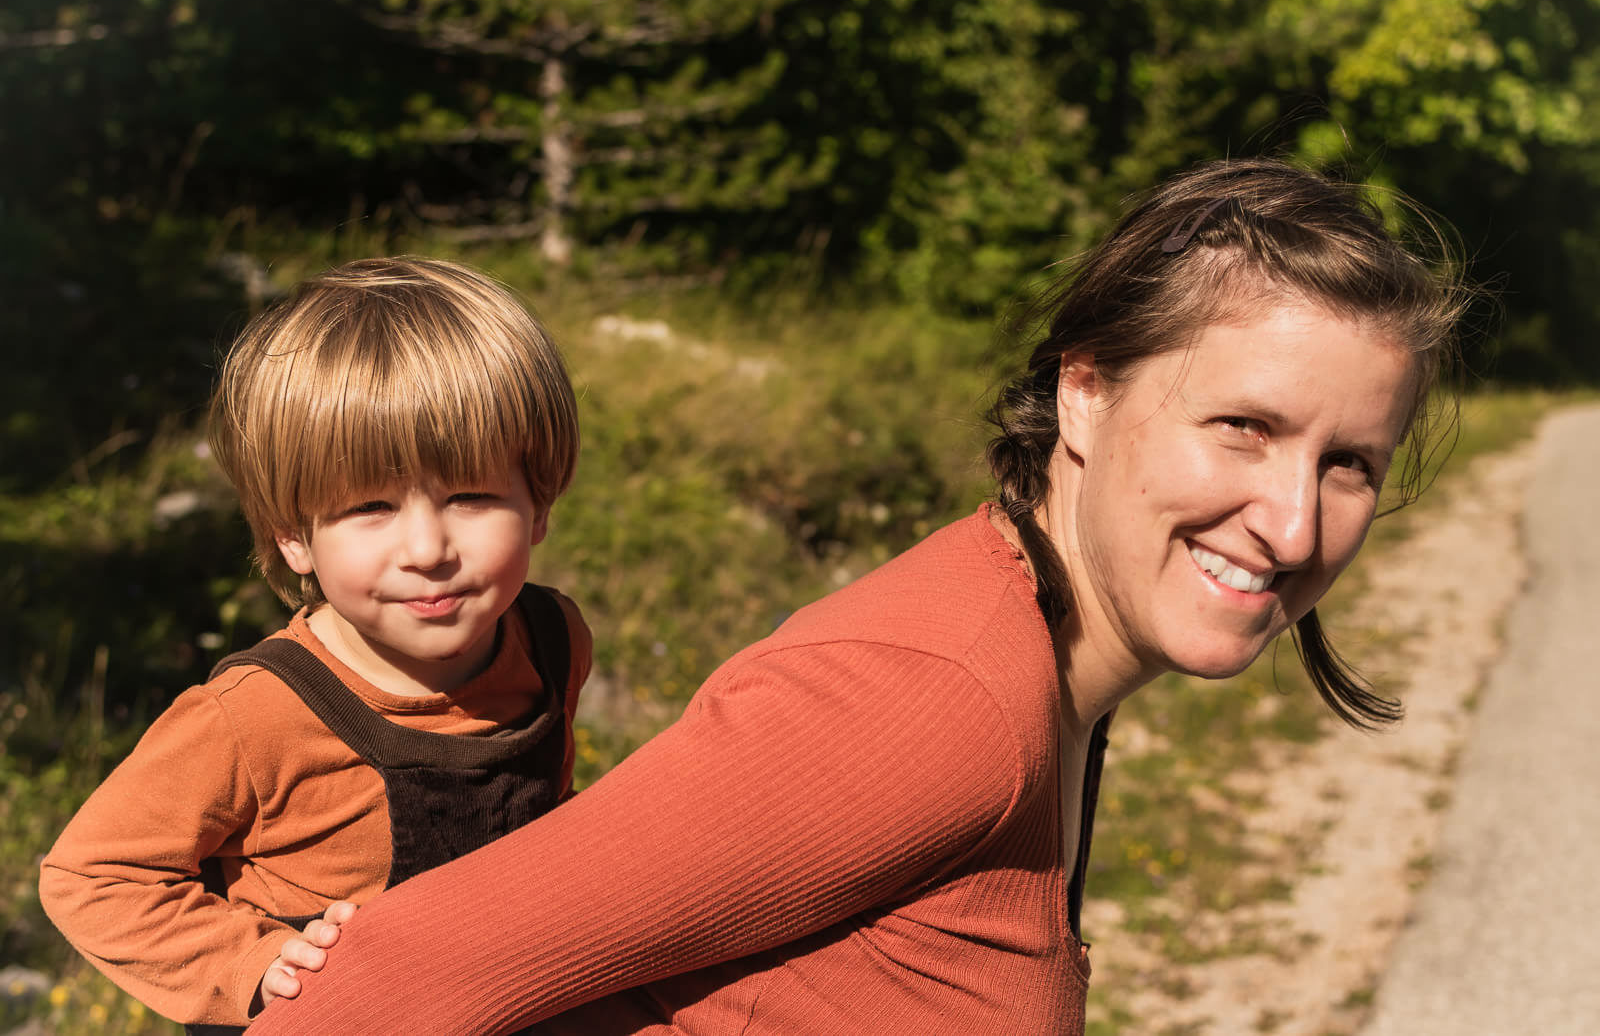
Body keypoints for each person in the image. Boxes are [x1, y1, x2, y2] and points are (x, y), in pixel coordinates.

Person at [246, 158, 1467, 1036]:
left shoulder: (1038, 662)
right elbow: (387, 985)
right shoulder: (931, 701)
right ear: (1085, 392)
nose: (1296, 521)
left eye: (1347, 461)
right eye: (1242, 427)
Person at [38, 257, 591, 1034]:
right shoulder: (255, 715)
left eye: (471, 494)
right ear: (293, 534)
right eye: (371, 505)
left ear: (538, 500)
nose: (428, 547)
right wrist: (250, 962)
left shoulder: (555, 641)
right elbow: (90, 874)